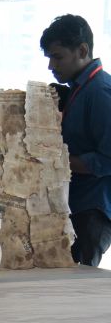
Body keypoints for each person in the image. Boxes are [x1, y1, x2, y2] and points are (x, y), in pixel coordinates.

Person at [41, 14, 111, 266]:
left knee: (76, 284)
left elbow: (108, 160)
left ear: (82, 51)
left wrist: (55, 160)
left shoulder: (101, 92)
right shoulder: (79, 89)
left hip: (92, 209)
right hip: (75, 204)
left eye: (57, 57)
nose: (51, 65)